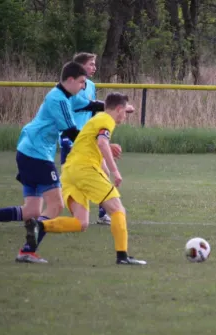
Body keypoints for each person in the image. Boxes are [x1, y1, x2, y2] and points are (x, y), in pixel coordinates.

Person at [0, 61, 105, 263]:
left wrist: (114, 108)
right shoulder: (59, 99)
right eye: (81, 82)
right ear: (70, 80)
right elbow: (72, 132)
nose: (83, 86)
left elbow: (88, 104)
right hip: (36, 153)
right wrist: (98, 142)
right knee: (55, 205)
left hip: (29, 151)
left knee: (32, 211)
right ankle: (28, 251)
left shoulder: (66, 96)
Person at [24, 92, 146, 265]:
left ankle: (40, 226)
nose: (125, 116)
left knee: (81, 222)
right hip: (84, 170)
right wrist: (115, 171)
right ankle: (123, 256)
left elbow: (96, 147)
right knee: (118, 209)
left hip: (69, 172)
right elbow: (103, 144)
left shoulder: (96, 120)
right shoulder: (106, 120)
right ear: (119, 110)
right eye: (124, 112)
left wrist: (106, 173)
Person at [61, 52, 113, 226]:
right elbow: (83, 105)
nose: (94, 67)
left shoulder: (90, 85)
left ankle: (102, 214)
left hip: (86, 138)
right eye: (91, 64)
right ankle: (50, 214)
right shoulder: (72, 87)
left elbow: (91, 112)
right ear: (81, 67)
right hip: (72, 138)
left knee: (104, 172)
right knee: (69, 179)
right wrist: (111, 107)